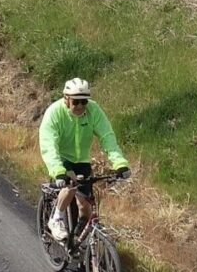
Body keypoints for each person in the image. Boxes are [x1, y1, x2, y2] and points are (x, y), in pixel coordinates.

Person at [37, 77, 129, 242]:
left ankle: (78, 241)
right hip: (62, 159)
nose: (80, 106)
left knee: (86, 209)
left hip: (82, 160)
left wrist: (119, 163)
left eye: (84, 102)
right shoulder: (54, 112)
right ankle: (56, 219)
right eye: (76, 102)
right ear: (66, 99)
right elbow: (48, 144)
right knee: (71, 184)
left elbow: (107, 136)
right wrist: (58, 171)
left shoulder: (93, 110)